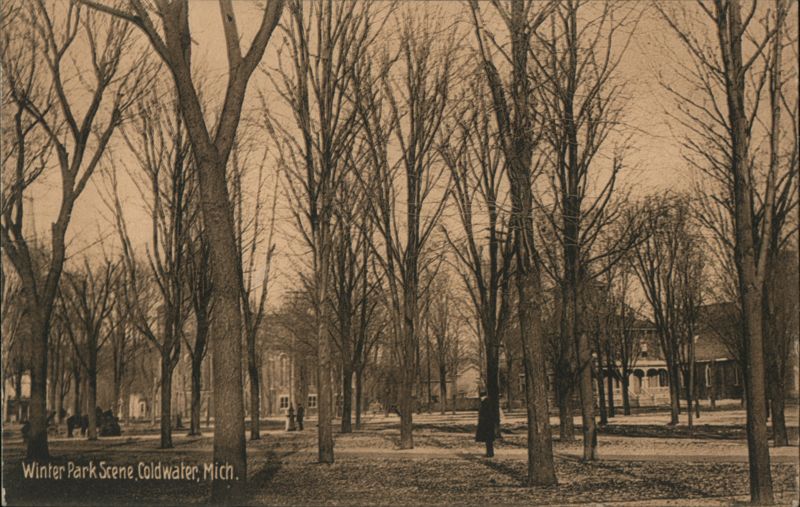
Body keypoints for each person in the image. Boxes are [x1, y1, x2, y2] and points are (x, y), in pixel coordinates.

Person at [475, 391, 495, 458]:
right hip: (489, 424)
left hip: (487, 425)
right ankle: (490, 453)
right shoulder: (487, 402)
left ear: (482, 397)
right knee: (488, 440)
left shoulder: (485, 402)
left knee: (488, 440)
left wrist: (483, 422)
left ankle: (489, 454)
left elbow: (486, 414)